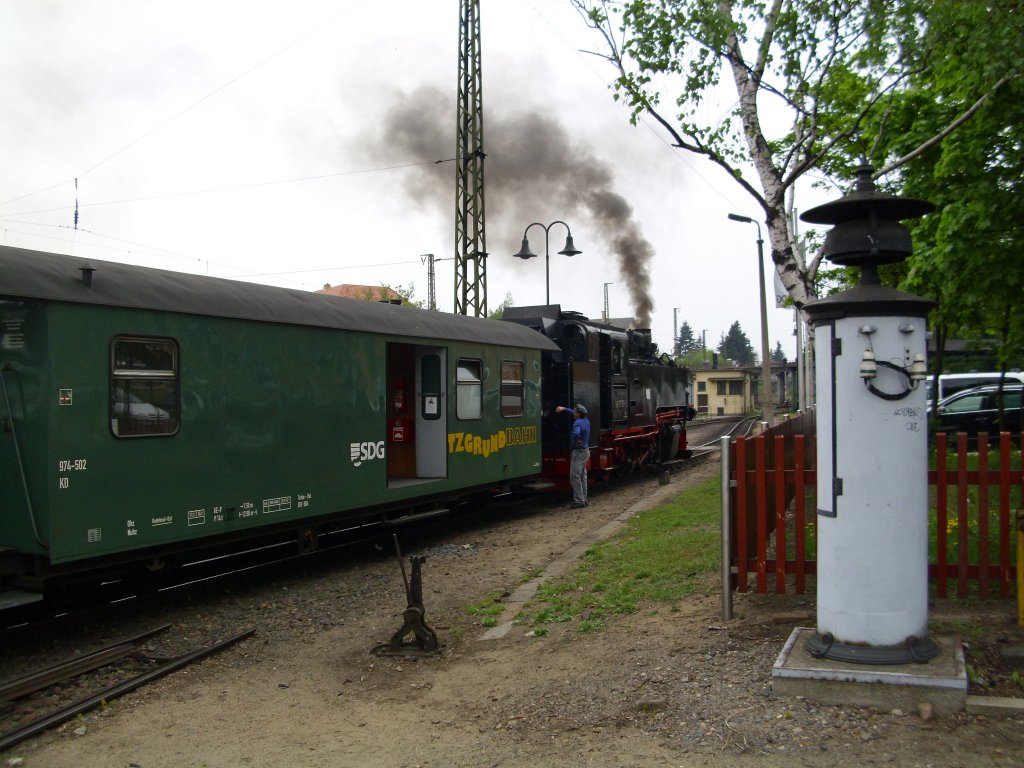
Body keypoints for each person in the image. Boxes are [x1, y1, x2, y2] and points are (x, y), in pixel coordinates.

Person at [555, 403, 591, 508]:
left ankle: (579, 501)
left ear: (579, 414)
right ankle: (584, 498)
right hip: (585, 451)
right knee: (582, 476)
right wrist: (564, 409)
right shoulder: (586, 421)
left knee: (574, 476)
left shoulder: (577, 423)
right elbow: (573, 412)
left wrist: (576, 440)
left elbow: (575, 433)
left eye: (575, 412)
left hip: (578, 452)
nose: (573, 413)